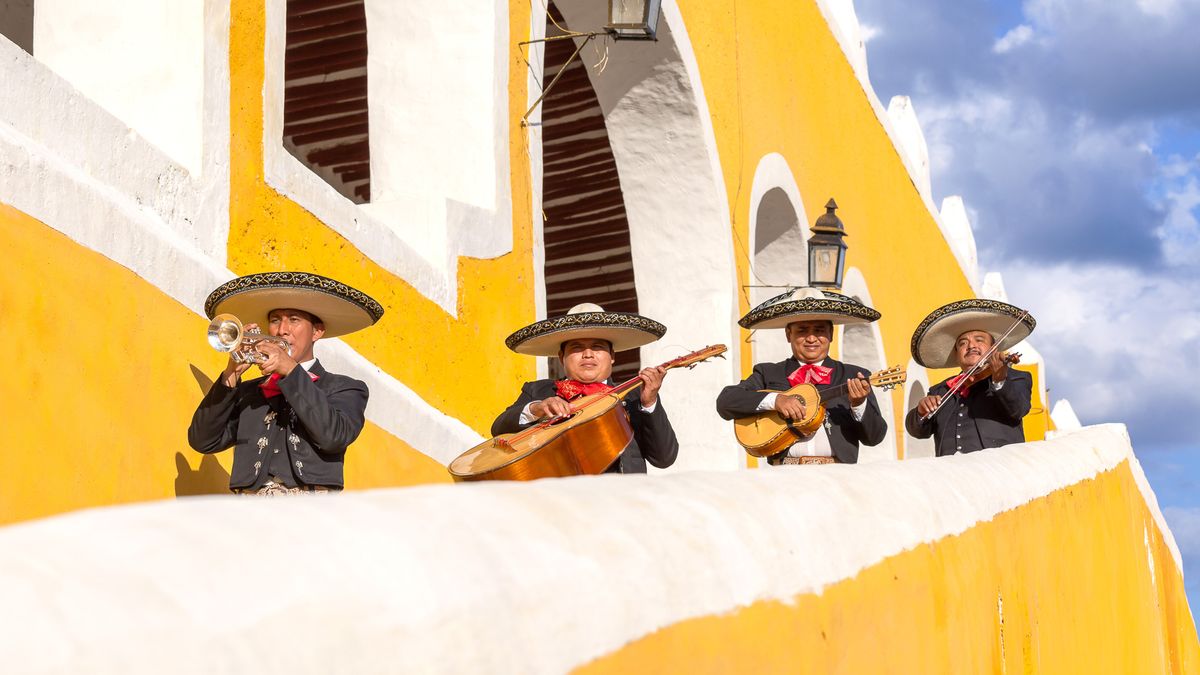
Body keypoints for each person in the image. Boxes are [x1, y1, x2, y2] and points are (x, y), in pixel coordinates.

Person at [188, 272, 384, 495]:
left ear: (317, 331)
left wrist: (290, 371)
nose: (282, 330)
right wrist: (230, 376)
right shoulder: (250, 392)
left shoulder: (346, 388)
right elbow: (202, 441)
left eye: (294, 320)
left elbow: (334, 437)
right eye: (275, 320)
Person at [491, 303, 679, 473]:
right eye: (577, 348)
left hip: (622, 504)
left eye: (597, 347)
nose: (588, 355)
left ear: (612, 356)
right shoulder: (539, 391)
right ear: (561, 356)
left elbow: (663, 458)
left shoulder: (635, 395)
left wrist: (649, 403)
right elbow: (498, 428)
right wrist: (536, 409)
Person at [716, 288, 887, 464]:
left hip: (837, 476)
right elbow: (725, 402)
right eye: (802, 330)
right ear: (788, 335)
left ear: (831, 335)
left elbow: (875, 437)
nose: (811, 338)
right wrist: (776, 400)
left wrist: (859, 405)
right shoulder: (768, 373)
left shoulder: (853, 376)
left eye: (819, 330)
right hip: (784, 475)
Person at [905, 299, 1036, 456]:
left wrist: (1000, 380)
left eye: (979, 340)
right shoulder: (941, 389)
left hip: (998, 473)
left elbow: (1019, 409)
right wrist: (920, 412)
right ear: (957, 355)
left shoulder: (1017, 377)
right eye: (962, 343)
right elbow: (918, 431)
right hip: (950, 474)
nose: (971, 346)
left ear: (994, 348)